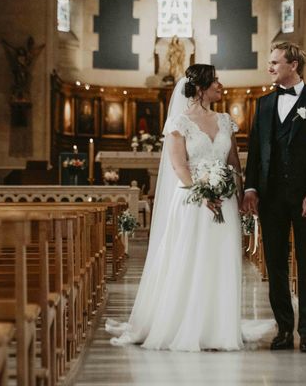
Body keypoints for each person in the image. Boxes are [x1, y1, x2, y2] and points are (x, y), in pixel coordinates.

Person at [106, 63, 273, 351]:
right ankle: (184, 322)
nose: (220, 86)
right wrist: (203, 191)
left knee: (221, 260)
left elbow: (233, 162)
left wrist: (238, 192)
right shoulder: (178, 123)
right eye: (215, 82)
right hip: (192, 202)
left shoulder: (224, 121)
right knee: (190, 258)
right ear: (199, 88)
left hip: (224, 201)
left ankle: (219, 326)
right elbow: (179, 165)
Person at [242, 42, 306, 353]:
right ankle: (284, 329)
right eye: (269, 62)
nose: (270, 68)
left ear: (293, 65)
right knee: (276, 265)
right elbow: (255, 151)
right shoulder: (264, 103)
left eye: (275, 62)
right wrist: (251, 187)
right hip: (270, 197)